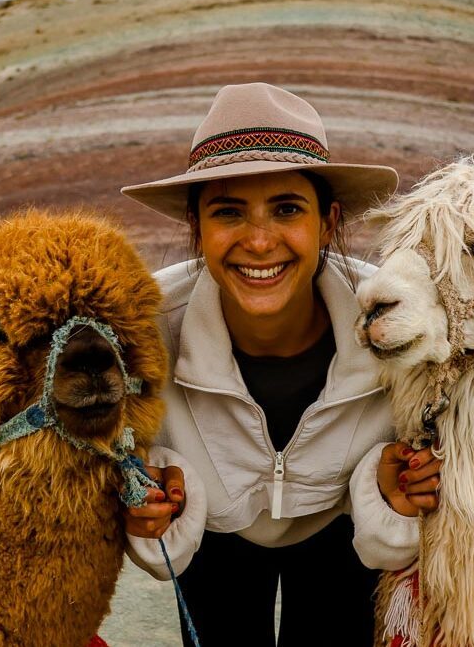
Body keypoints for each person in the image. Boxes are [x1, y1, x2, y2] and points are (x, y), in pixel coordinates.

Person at [119, 83, 441, 646]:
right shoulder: (138, 332)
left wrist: (395, 497)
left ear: (327, 221)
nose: (260, 241)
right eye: (229, 212)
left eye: (287, 209)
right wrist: (148, 495)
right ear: (198, 227)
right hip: (211, 533)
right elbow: (117, 457)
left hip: (346, 529)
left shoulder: (398, 326)